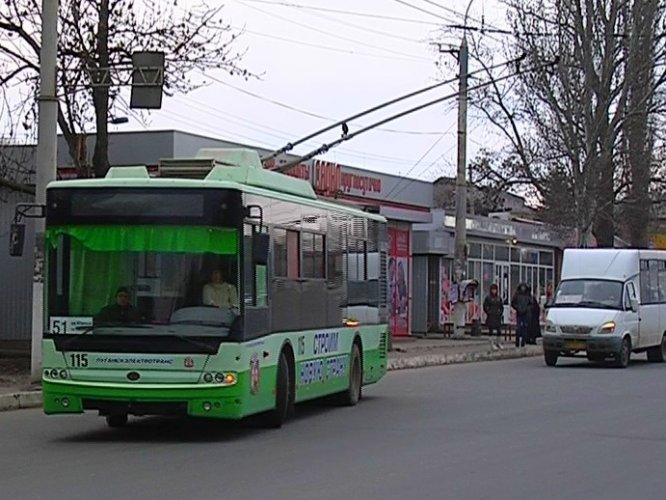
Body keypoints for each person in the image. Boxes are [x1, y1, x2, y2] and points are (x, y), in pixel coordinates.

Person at [511, 283, 533, 347]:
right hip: (519, 313)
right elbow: (513, 303)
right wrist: (517, 308)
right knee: (518, 328)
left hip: (526, 314)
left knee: (524, 328)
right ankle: (517, 342)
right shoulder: (517, 295)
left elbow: (531, 304)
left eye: (524, 287)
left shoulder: (528, 295)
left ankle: (523, 341)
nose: (523, 289)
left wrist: (527, 309)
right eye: (522, 287)